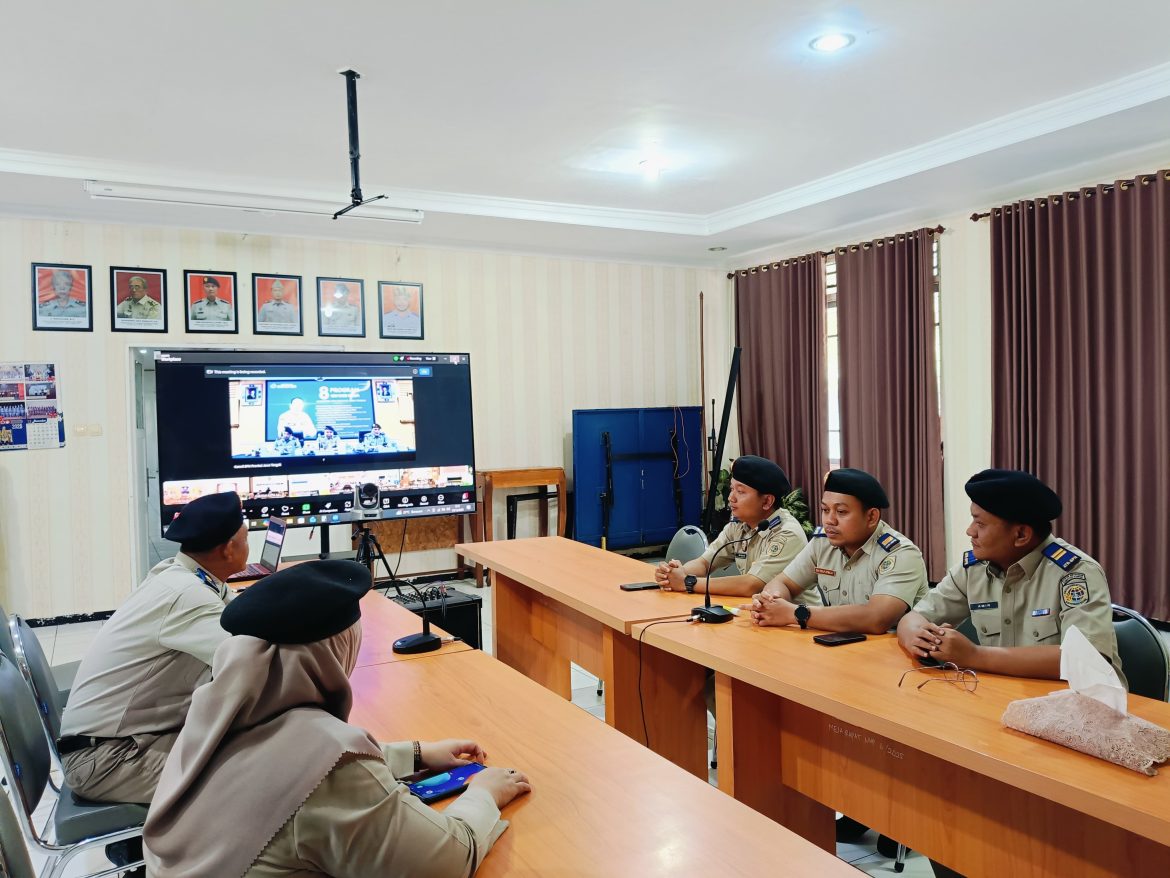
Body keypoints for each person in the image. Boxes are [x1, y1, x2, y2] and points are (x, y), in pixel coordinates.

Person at [143, 560, 532, 877]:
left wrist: (416, 754)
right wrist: (484, 793)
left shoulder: (214, 713)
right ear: (336, 651)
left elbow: (283, 763)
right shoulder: (332, 762)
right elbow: (447, 859)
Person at [56, 492, 247, 803]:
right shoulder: (186, 595)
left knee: (241, 741)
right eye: (246, 538)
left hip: (117, 741)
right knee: (251, 773)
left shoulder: (182, 573)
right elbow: (248, 657)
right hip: (107, 760)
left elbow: (240, 612)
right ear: (227, 549)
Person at [898, 469, 1124, 682]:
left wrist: (975, 656)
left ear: (1021, 534)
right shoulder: (974, 569)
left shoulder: (1075, 572)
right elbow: (914, 617)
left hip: (1074, 707)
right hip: (1002, 697)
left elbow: (1084, 659)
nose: (970, 531)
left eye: (980, 523)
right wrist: (916, 636)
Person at [749, 467, 928, 634]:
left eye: (841, 512)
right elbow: (783, 583)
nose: (829, 520)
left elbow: (877, 618)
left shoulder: (900, 553)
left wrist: (796, 614)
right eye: (825, 510)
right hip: (839, 647)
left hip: (894, 658)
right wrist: (771, 600)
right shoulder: (822, 544)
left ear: (872, 517)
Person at [656, 455, 812, 599]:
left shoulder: (787, 533)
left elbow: (751, 585)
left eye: (740, 491)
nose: (731, 498)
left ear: (767, 502)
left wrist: (688, 582)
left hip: (798, 623)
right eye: (731, 489)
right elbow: (704, 563)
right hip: (757, 614)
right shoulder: (739, 525)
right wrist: (674, 573)